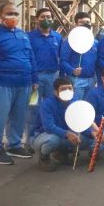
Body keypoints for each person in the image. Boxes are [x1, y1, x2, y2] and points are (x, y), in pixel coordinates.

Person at [0, 2, 36, 164]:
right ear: (0, 15)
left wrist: (34, 80)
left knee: (19, 117)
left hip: (23, 83)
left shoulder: (23, 35)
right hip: (1, 84)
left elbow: (30, 58)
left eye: (16, 14)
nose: (13, 16)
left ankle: (14, 145)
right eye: (9, 13)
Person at [30, 77, 92, 171]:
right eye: (63, 89)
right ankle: (44, 157)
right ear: (55, 92)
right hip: (42, 135)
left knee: (86, 140)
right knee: (53, 140)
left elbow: (80, 122)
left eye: (70, 88)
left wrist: (92, 134)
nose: (67, 91)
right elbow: (49, 127)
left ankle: (62, 153)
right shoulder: (47, 104)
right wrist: (67, 134)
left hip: (63, 135)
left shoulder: (75, 102)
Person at [27, 8, 62, 151]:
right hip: (36, 78)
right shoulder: (29, 37)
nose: (46, 19)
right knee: (33, 110)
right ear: (37, 19)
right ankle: (30, 141)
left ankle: (49, 137)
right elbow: (27, 58)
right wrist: (32, 79)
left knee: (52, 108)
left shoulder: (57, 37)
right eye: (43, 17)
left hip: (53, 77)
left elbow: (61, 57)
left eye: (49, 16)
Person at [60, 12, 98, 100]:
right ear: (76, 24)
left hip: (92, 80)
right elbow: (63, 61)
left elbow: (97, 61)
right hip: (76, 80)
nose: (85, 24)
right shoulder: (69, 42)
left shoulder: (95, 42)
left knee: (89, 105)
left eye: (88, 22)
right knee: (75, 104)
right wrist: (72, 70)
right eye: (82, 22)